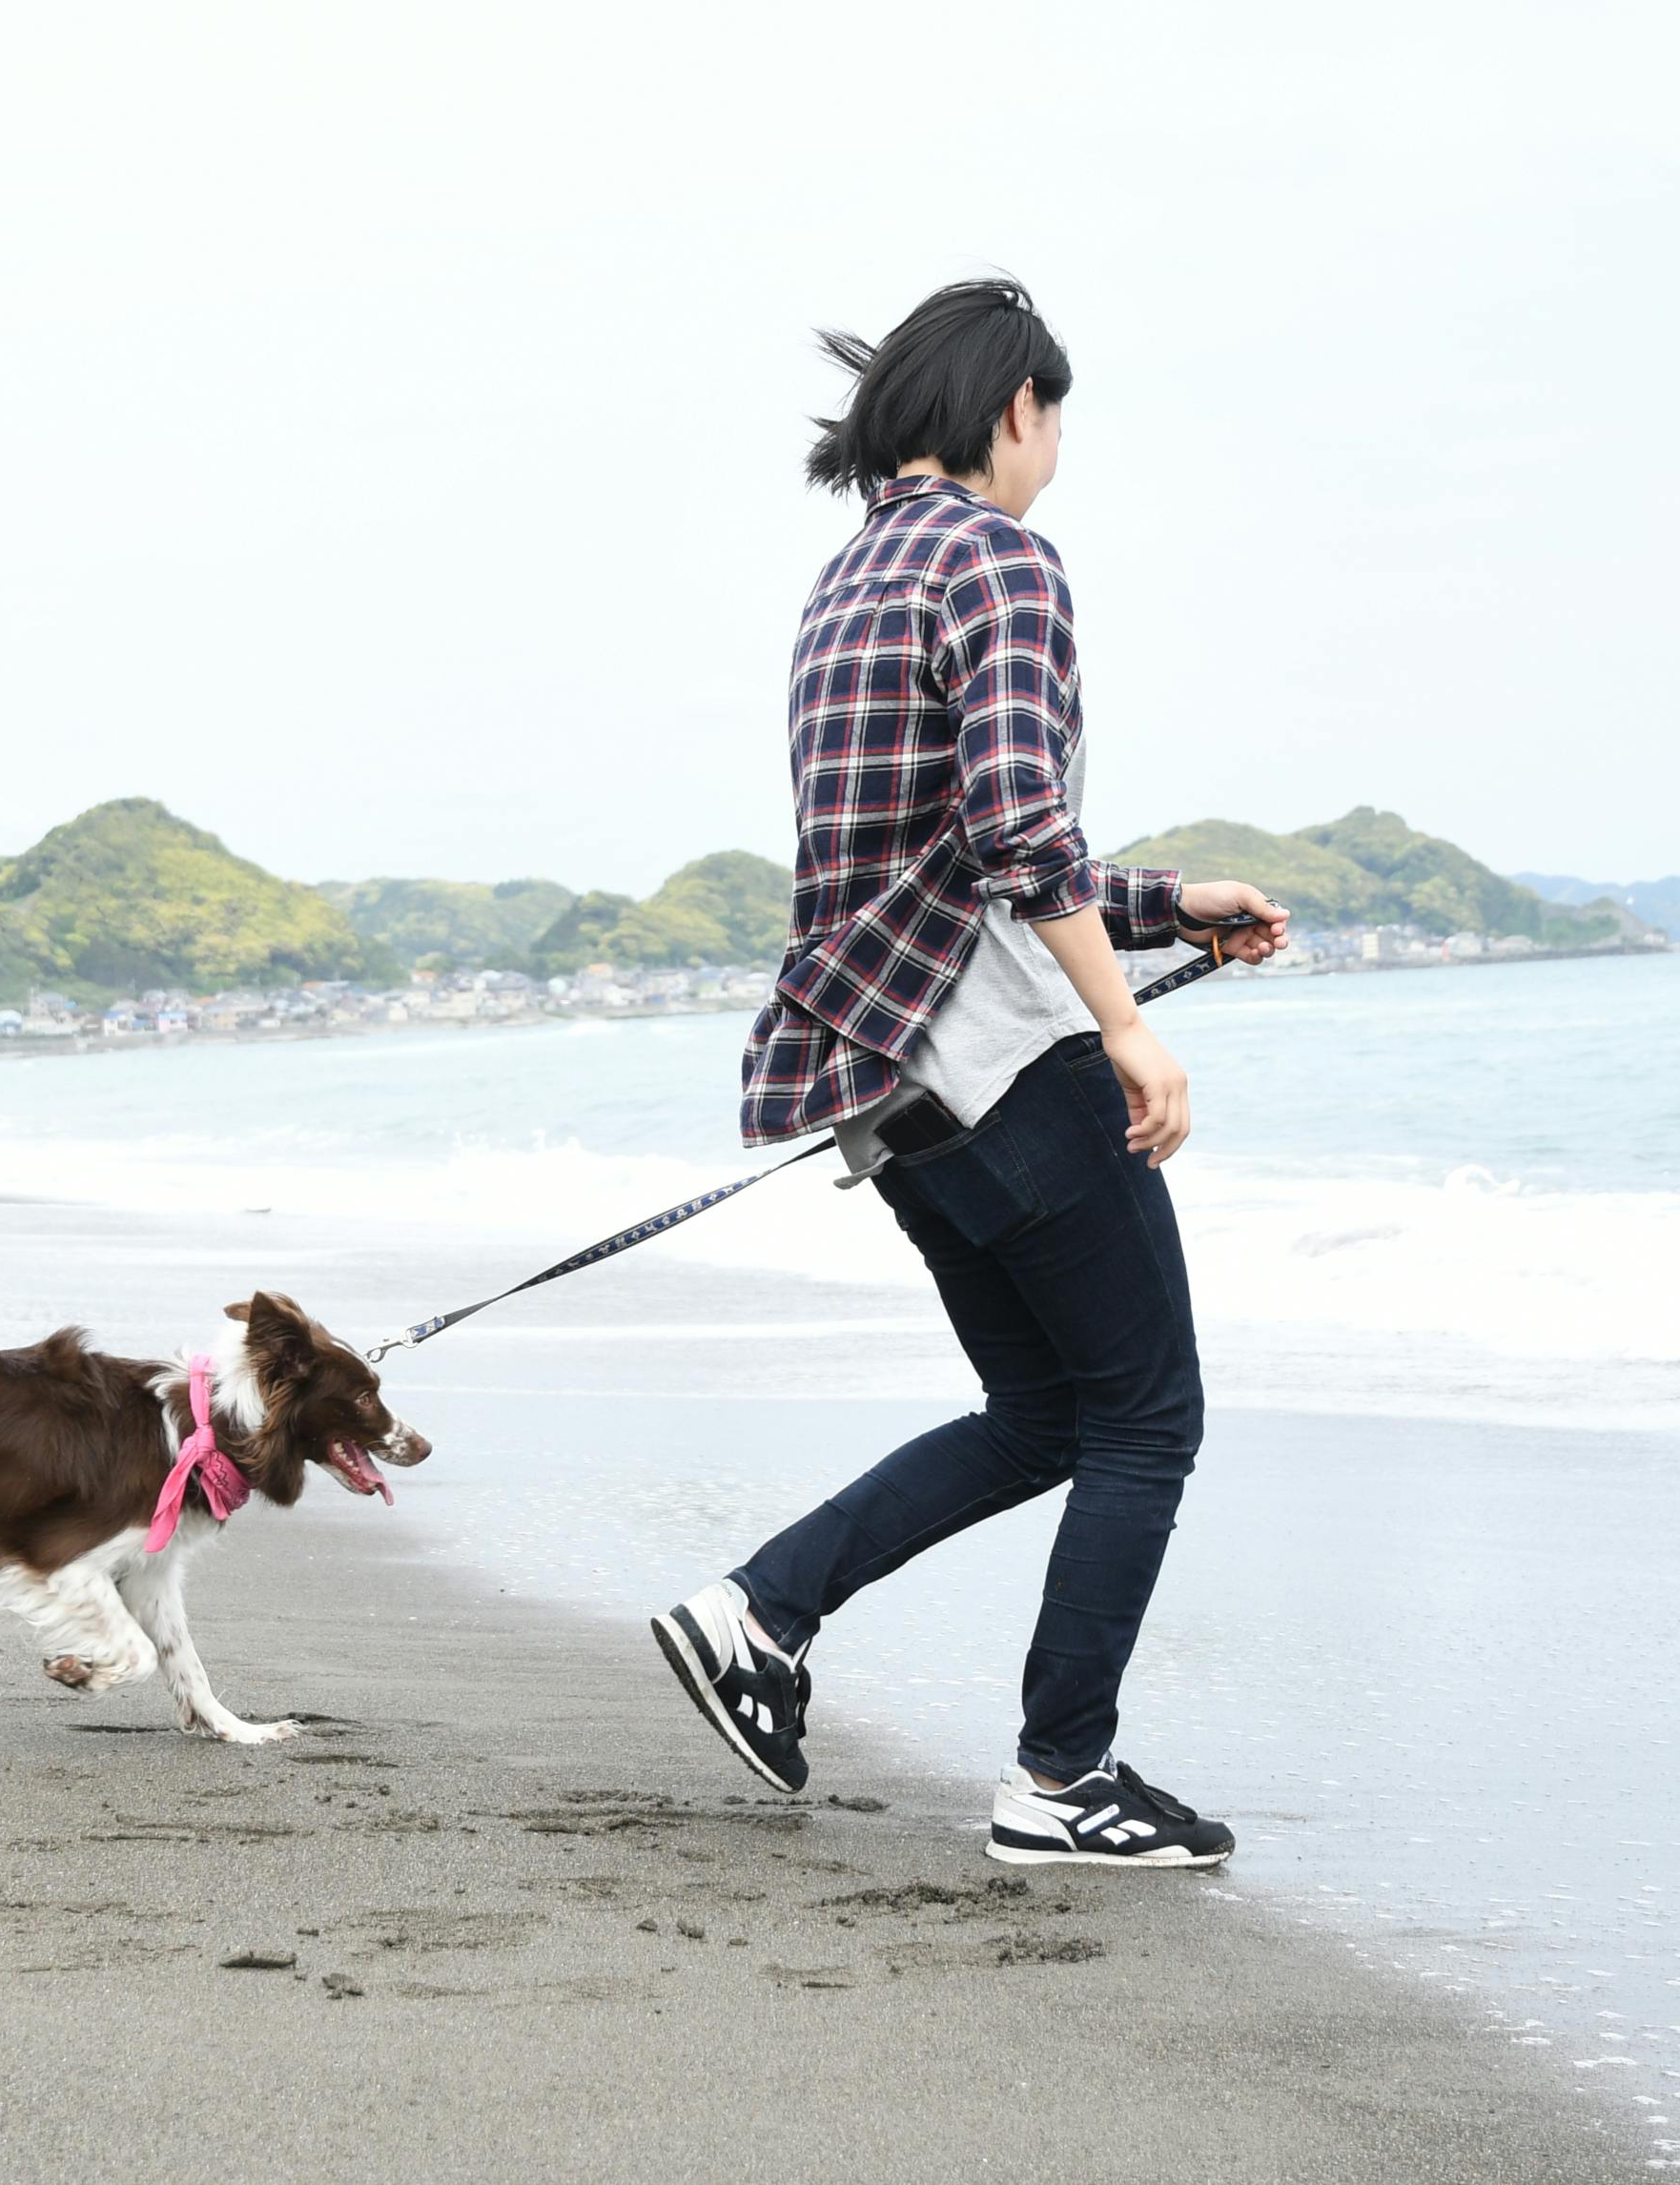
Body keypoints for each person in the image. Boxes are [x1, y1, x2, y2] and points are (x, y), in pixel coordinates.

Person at [650, 279, 1290, 1868]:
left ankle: (759, 1610)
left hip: (886, 1079)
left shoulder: (846, 579)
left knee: (1041, 1413)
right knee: (1146, 1419)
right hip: (1007, 1064)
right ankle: (1061, 1781)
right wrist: (1132, 1022)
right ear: (1016, 409)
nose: (1058, 453)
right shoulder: (1002, 558)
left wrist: (1161, 910)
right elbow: (1016, 823)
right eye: (1055, 419)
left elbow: (940, 860)